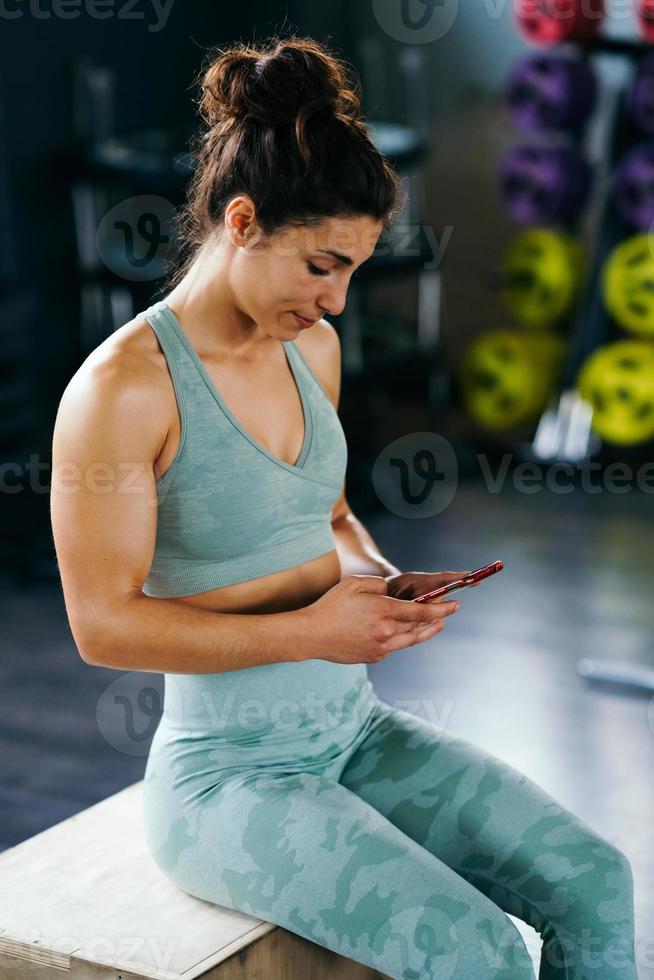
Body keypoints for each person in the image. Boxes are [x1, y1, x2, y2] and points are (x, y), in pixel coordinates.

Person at [50, 34, 638, 980]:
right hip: (227, 780)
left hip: (354, 734)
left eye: (354, 271)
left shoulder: (307, 350)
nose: (335, 301)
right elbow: (101, 627)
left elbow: (324, 516)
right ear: (241, 221)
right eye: (322, 265)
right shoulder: (125, 389)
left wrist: (379, 578)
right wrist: (312, 630)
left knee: (597, 881)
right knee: (476, 953)